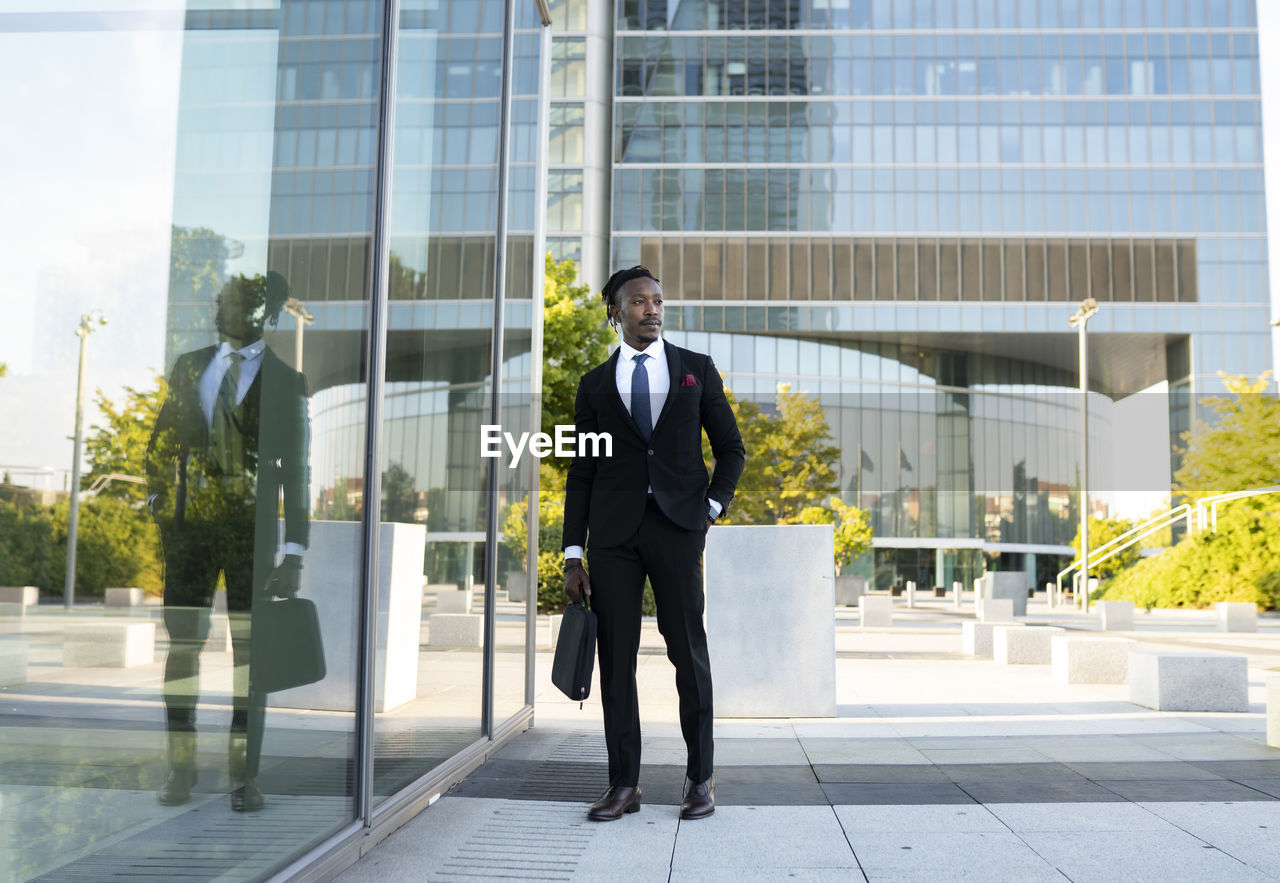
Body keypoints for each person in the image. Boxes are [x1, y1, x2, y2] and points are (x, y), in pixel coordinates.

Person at [562, 265, 745, 821]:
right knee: (616, 662)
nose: (652, 309)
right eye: (639, 302)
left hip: (677, 529)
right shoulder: (594, 384)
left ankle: (700, 779)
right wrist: (573, 552)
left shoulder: (696, 369)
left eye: (658, 301)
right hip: (613, 538)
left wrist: (708, 511)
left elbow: (731, 449)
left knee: (688, 654)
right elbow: (581, 472)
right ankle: (624, 785)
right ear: (615, 312)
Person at [147, 271, 310, 812]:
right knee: (182, 650)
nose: (220, 309)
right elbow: (161, 442)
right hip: (189, 532)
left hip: (252, 535)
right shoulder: (189, 366)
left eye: (233, 302)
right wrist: (160, 507)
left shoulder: (287, 382)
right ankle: (181, 771)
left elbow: (296, 474)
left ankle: (245, 779)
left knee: (251, 659)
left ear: (261, 313)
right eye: (220, 300)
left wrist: (294, 551)